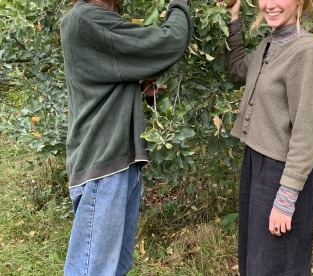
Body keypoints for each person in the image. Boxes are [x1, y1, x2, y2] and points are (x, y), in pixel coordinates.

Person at [59, 0, 193, 275]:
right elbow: (169, 41)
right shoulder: (88, 19)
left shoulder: (91, 21)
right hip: (104, 163)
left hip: (117, 161)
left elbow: (106, 80)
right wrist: (179, 4)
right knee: (93, 269)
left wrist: (139, 88)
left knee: (113, 267)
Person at [225, 0, 313, 275]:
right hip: (255, 165)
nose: (268, 4)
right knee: (255, 261)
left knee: (277, 264)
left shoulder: (305, 52)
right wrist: (234, 19)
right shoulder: (267, 45)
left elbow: (306, 133)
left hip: (281, 172)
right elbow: (237, 70)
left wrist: (285, 199)